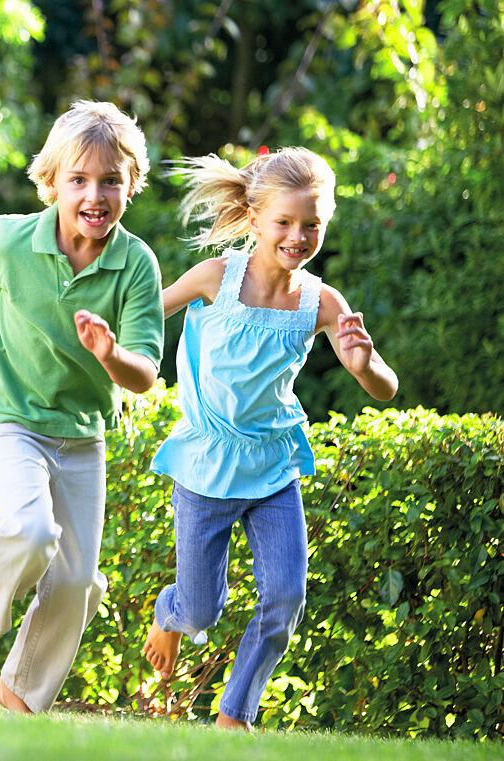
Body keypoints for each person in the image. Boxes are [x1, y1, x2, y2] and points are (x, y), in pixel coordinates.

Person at [0, 100, 164, 713]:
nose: (95, 194)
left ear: (132, 183)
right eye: (78, 179)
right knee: (30, 530)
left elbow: (146, 374)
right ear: (50, 182)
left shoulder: (136, 266)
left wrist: (109, 354)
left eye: (111, 179)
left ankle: (21, 698)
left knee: (78, 580)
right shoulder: (10, 240)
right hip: (10, 419)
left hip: (82, 435)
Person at [141, 147, 398, 729]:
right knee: (202, 610)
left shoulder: (321, 302)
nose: (298, 235)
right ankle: (171, 613)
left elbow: (385, 386)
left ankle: (236, 713)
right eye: (284, 222)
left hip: (274, 468)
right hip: (207, 465)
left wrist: (363, 365)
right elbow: (147, 314)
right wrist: (105, 343)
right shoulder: (216, 278)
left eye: (312, 224)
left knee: (285, 599)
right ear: (254, 219)